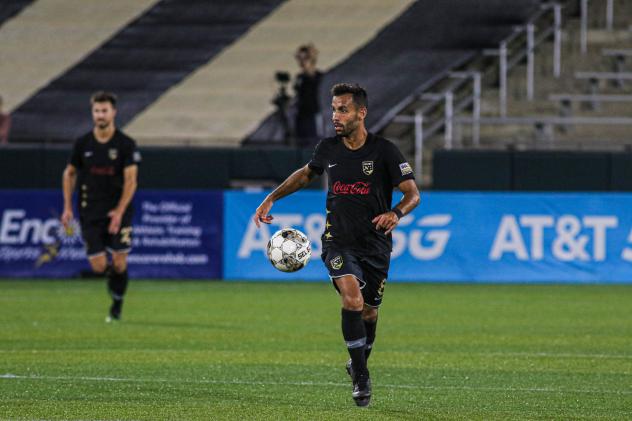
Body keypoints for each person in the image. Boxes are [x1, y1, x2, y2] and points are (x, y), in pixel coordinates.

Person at [254, 83, 420, 407]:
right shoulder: (328, 148)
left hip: (375, 245)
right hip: (337, 242)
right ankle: (361, 375)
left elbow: (412, 194)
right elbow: (305, 175)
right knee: (352, 298)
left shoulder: (384, 151)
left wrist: (395, 213)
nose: (335, 116)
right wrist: (271, 198)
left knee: (370, 312)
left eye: (343, 109)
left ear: (361, 112)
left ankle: (358, 362)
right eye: (333, 109)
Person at [61, 91, 141, 322]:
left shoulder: (125, 144)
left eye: (104, 110)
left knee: (119, 261)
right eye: (97, 111)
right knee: (98, 266)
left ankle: (117, 304)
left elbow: (131, 181)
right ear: (92, 113)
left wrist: (119, 211)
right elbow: (69, 174)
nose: (100, 115)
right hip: (90, 211)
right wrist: (67, 207)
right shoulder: (82, 143)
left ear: (113, 112)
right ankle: (114, 281)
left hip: (119, 211)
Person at [293, 43, 323, 147]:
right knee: (300, 143)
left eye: (305, 58)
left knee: (313, 143)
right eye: (299, 59)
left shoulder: (317, 76)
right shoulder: (300, 77)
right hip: (301, 115)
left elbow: (311, 73)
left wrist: (311, 55)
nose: (301, 62)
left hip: (312, 115)